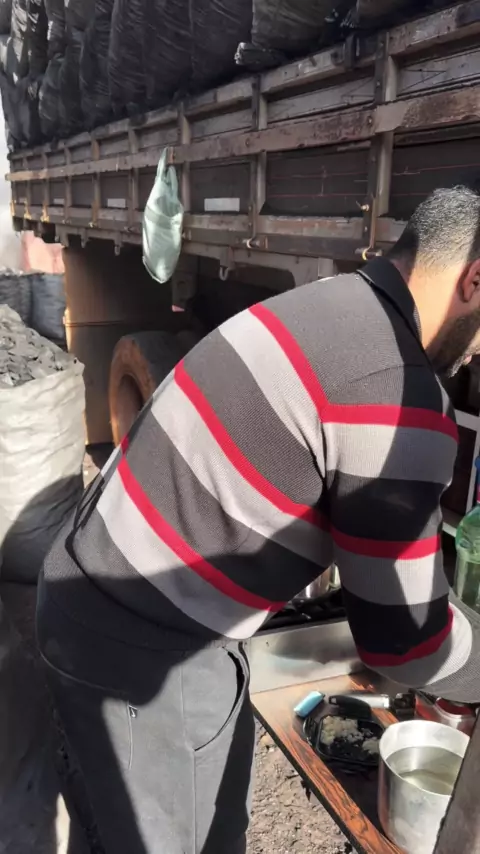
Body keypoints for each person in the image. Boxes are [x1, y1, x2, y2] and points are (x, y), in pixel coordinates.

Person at [37, 186, 480, 854]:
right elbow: (408, 645)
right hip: (144, 647)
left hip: (90, 594)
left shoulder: (330, 301)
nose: (476, 353)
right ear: (474, 279)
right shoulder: (398, 390)